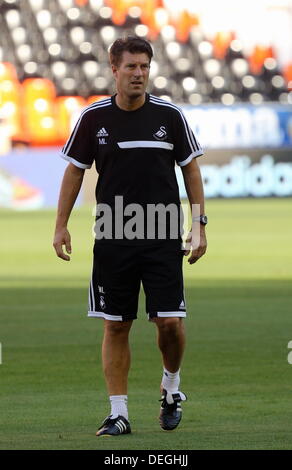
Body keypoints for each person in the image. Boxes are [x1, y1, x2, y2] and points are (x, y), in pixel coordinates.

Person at [53, 36, 207, 437]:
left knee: (170, 323)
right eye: (131, 67)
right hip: (113, 236)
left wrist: (200, 223)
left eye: (144, 66)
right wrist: (60, 225)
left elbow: (190, 168)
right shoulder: (93, 119)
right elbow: (74, 171)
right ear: (113, 69)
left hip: (162, 236)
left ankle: (171, 388)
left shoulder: (170, 116)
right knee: (116, 326)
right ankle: (118, 412)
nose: (139, 74)